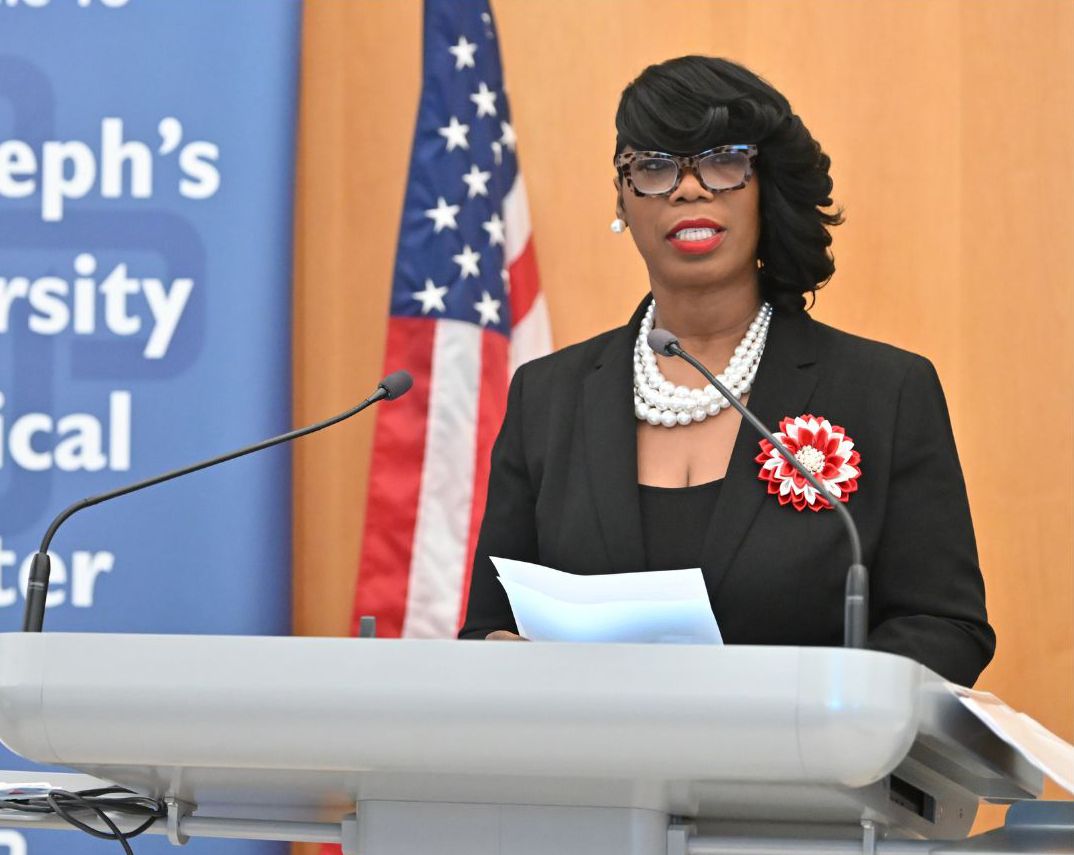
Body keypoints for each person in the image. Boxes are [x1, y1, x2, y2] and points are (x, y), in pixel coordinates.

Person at [458, 55, 995, 687]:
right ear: (624, 203)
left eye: (723, 161)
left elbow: (945, 625)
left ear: (766, 186)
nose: (689, 189)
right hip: (596, 776)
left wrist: (808, 707)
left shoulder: (884, 391)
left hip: (808, 775)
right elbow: (487, 629)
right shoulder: (546, 398)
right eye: (654, 168)